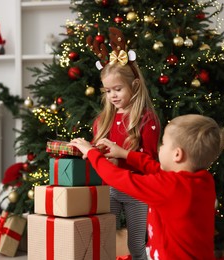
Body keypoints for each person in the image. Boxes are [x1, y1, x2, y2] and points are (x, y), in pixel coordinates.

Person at [69, 114, 224, 259]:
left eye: (164, 143)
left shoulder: (168, 187)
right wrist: (124, 154)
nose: (160, 147)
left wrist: (91, 153)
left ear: (177, 154)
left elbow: (118, 178)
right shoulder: (202, 180)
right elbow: (155, 168)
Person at [90, 28, 161, 259]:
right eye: (108, 90)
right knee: (104, 239)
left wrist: (120, 154)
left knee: (136, 244)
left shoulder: (146, 120)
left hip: (137, 191)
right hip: (108, 189)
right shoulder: (103, 120)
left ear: (135, 86)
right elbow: (93, 156)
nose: (112, 95)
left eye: (118, 89)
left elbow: (150, 162)